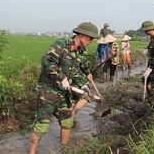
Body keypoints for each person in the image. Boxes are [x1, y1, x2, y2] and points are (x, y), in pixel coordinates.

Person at [29, 22, 100, 154]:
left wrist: (84, 84)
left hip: (65, 94)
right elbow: (47, 61)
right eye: (90, 39)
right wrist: (62, 77)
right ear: (82, 35)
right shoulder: (62, 44)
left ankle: (63, 149)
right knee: (42, 126)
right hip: (48, 92)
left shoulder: (81, 51)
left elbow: (77, 71)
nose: (91, 42)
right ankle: (31, 152)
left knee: (67, 122)